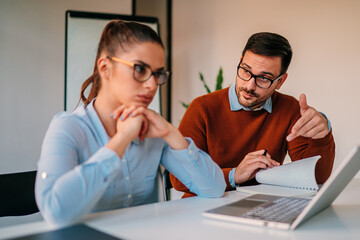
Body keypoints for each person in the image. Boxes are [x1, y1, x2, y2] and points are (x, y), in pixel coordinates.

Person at [35, 20, 226, 226]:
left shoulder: (152, 130)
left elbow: (213, 189)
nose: (152, 85)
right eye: (140, 69)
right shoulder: (69, 127)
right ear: (105, 68)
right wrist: (123, 138)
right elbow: (54, 210)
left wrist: (172, 134)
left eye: (157, 74)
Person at [170, 32, 335, 198]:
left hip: (261, 206)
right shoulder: (202, 108)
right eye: (246, 71)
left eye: (264, 78)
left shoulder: (290, 109)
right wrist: (234, 175)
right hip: (202, 209)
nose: (249, 85)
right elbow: (179, 178)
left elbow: (316, 177)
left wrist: (321, 135)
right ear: (240, 61)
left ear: (280, 81)